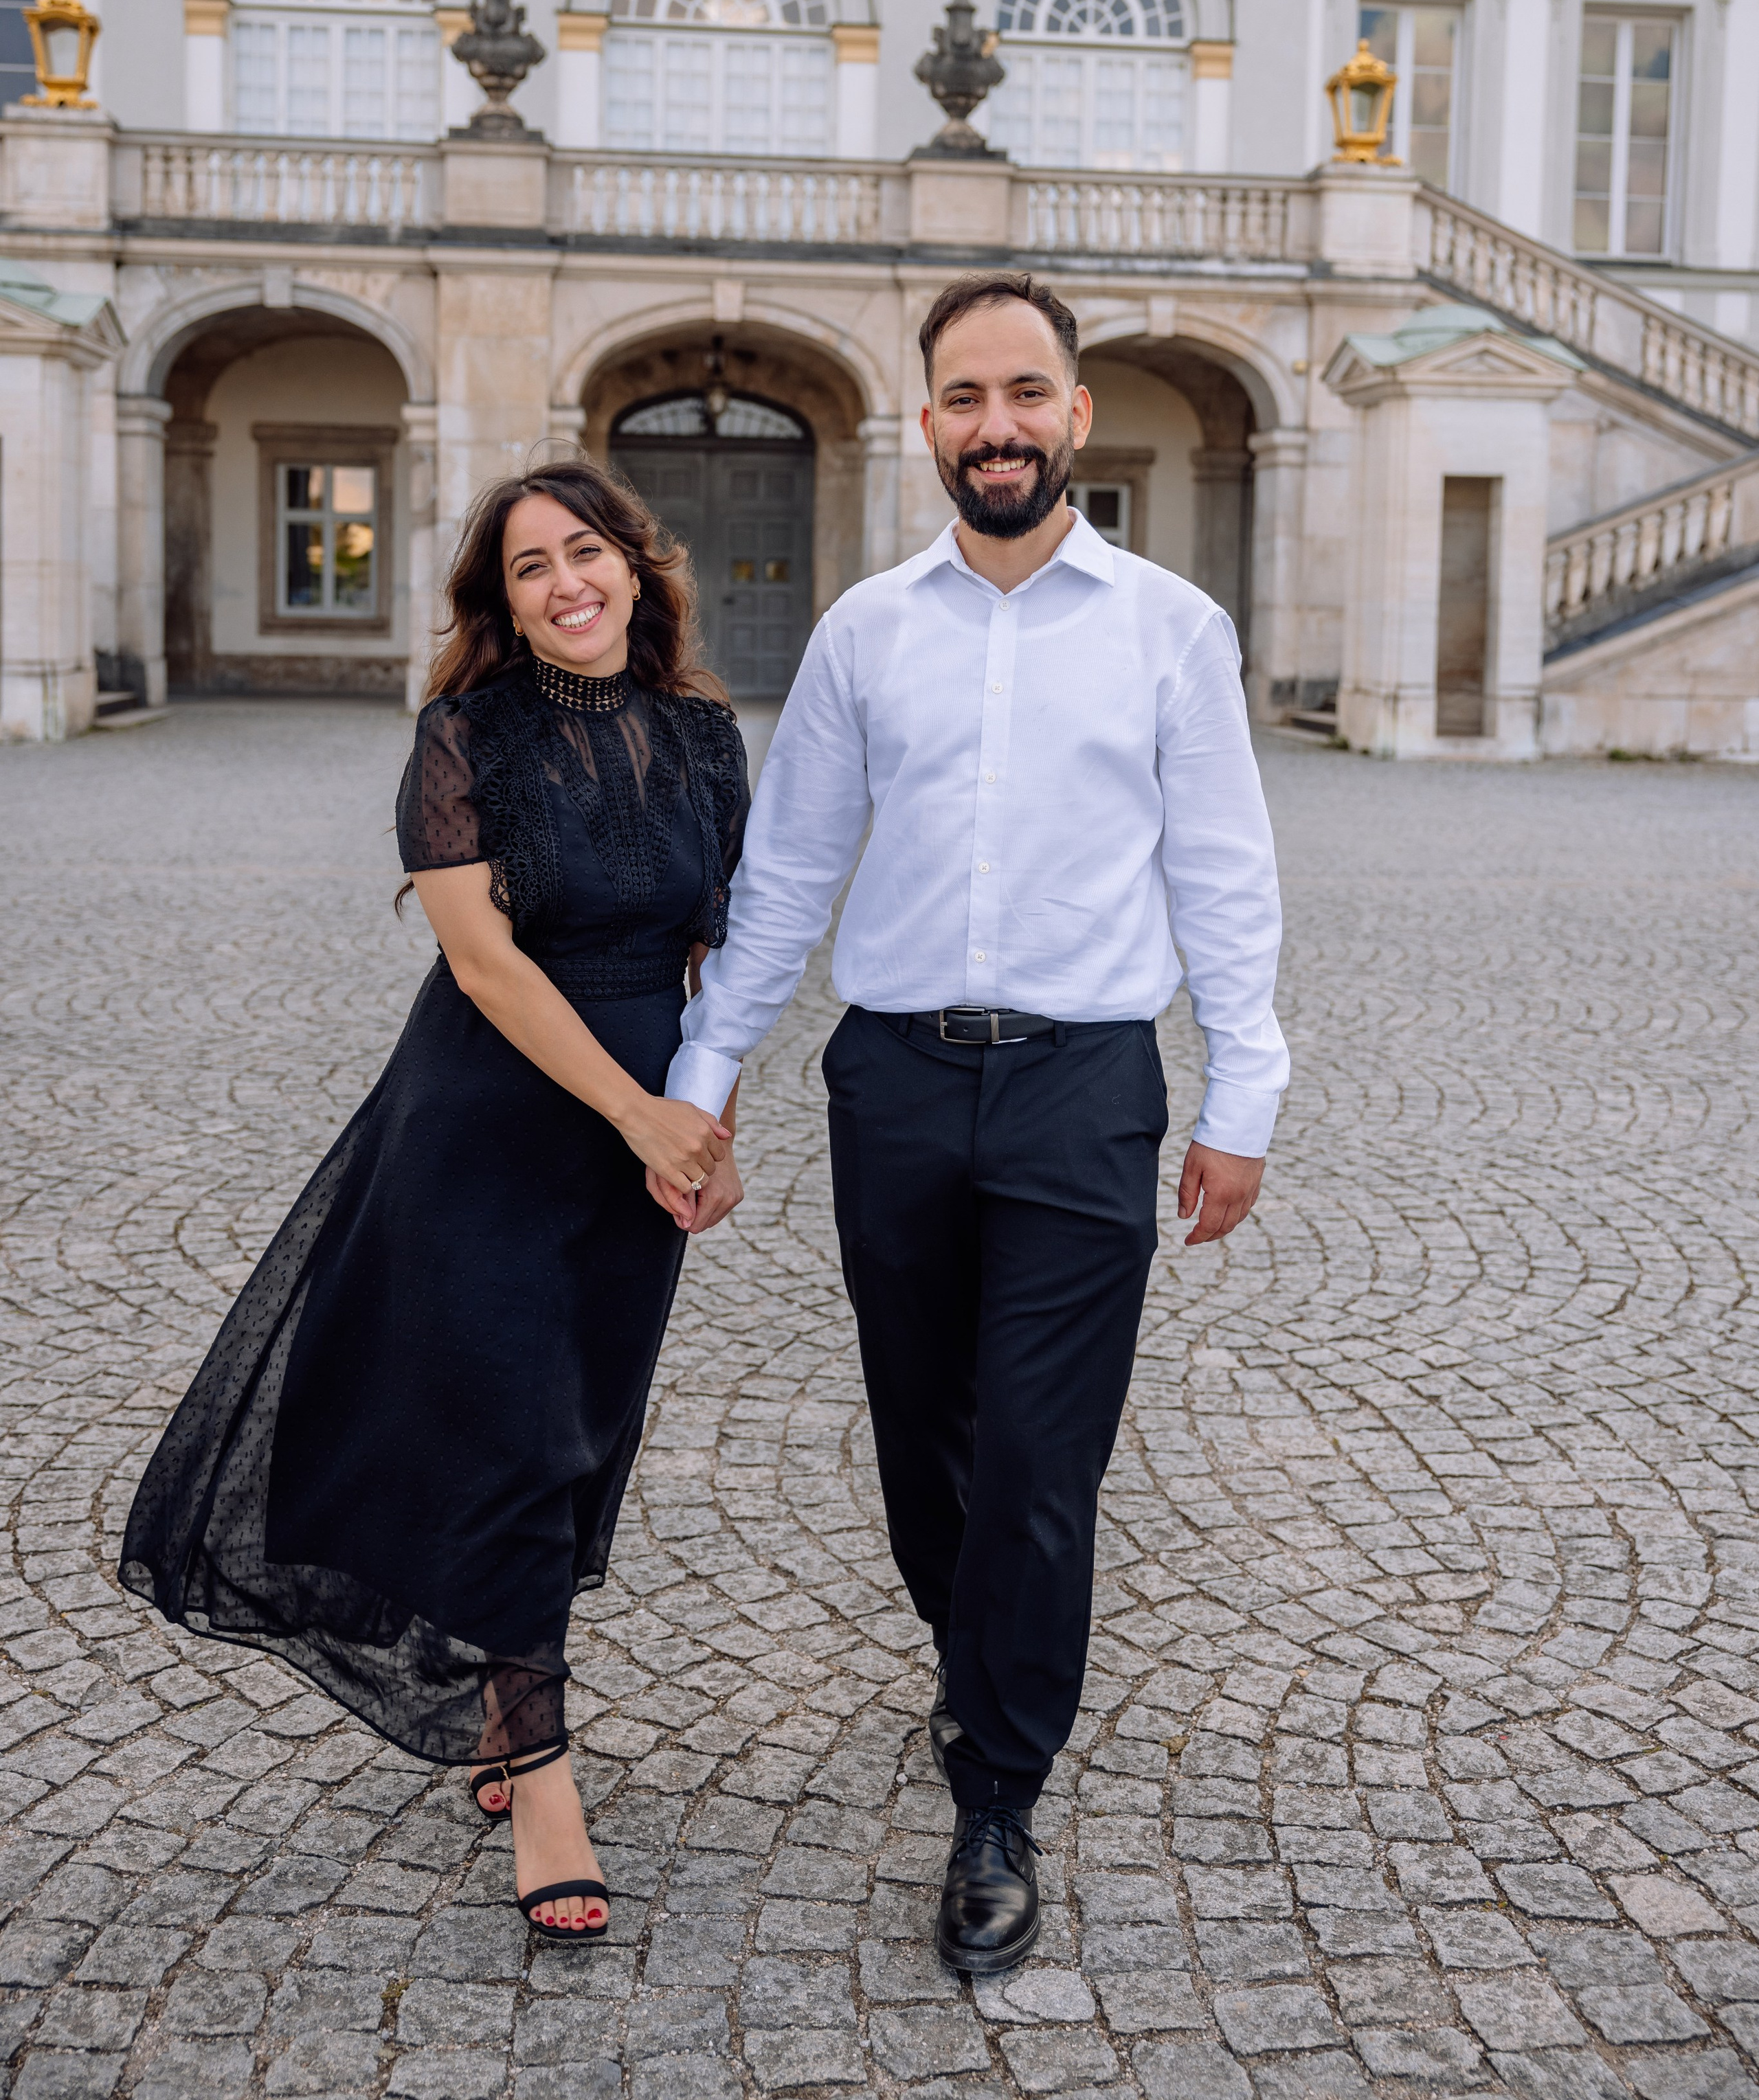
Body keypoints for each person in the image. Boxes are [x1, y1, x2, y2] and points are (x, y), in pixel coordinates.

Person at [654, 272, 1288, 1976]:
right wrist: (700, 1088)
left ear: (1074, 412)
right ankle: (977, 1645)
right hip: (898, 1080)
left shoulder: (1169, 626)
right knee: (920, 1426)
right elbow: (783, 877)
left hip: (1087, 1086)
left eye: (1024, 393)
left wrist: (1244, 1093)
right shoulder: (868, 630)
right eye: (961, 397)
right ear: (923, 419)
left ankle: (997, 1779)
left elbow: (1220, 870)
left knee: (1034, 1455)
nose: (993, 425)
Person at [122, 460, 750, 1947]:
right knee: (516, 1428)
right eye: (528, 567)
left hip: (643, 1130)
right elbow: (486, 966)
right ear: (500, 602)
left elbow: (724, 949)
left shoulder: (709, 739)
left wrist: (709, 1125)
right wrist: (637, 1108)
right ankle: (543, 1777)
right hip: (484, 1120)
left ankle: (499, 1697)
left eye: (582, 552)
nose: (563, 585)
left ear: (637, 568)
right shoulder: (464, 736)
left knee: (585, 1423)